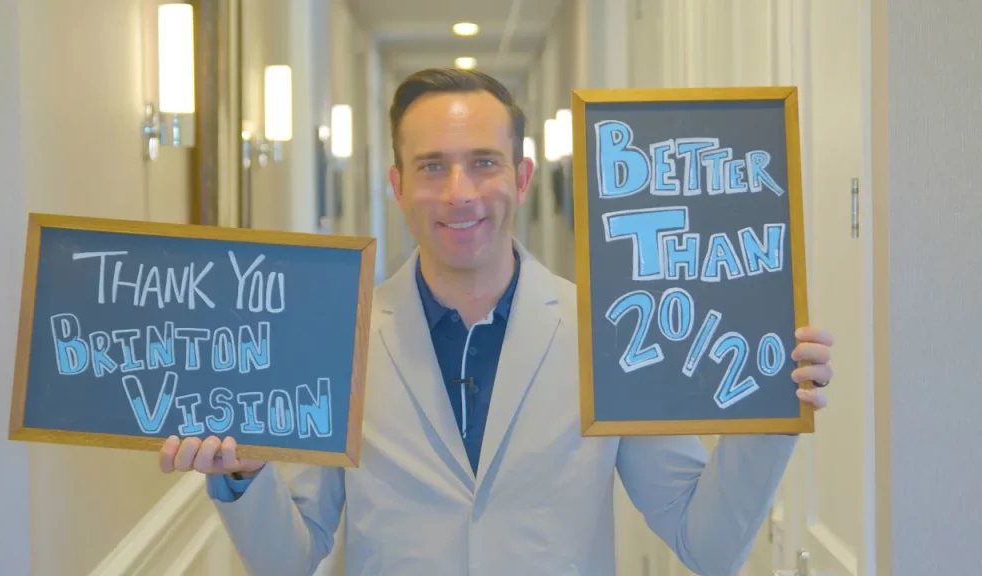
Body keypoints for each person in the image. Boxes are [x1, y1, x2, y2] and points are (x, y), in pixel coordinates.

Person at [158, 68, 834, 576]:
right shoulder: (341, 335)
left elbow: (707, 543)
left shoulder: (610, 331)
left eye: (484, 163)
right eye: (432, 168)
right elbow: (292, 558)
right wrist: (243, 476)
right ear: (397, 185)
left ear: (522, 176)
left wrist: (770, 406)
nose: (459, 194)